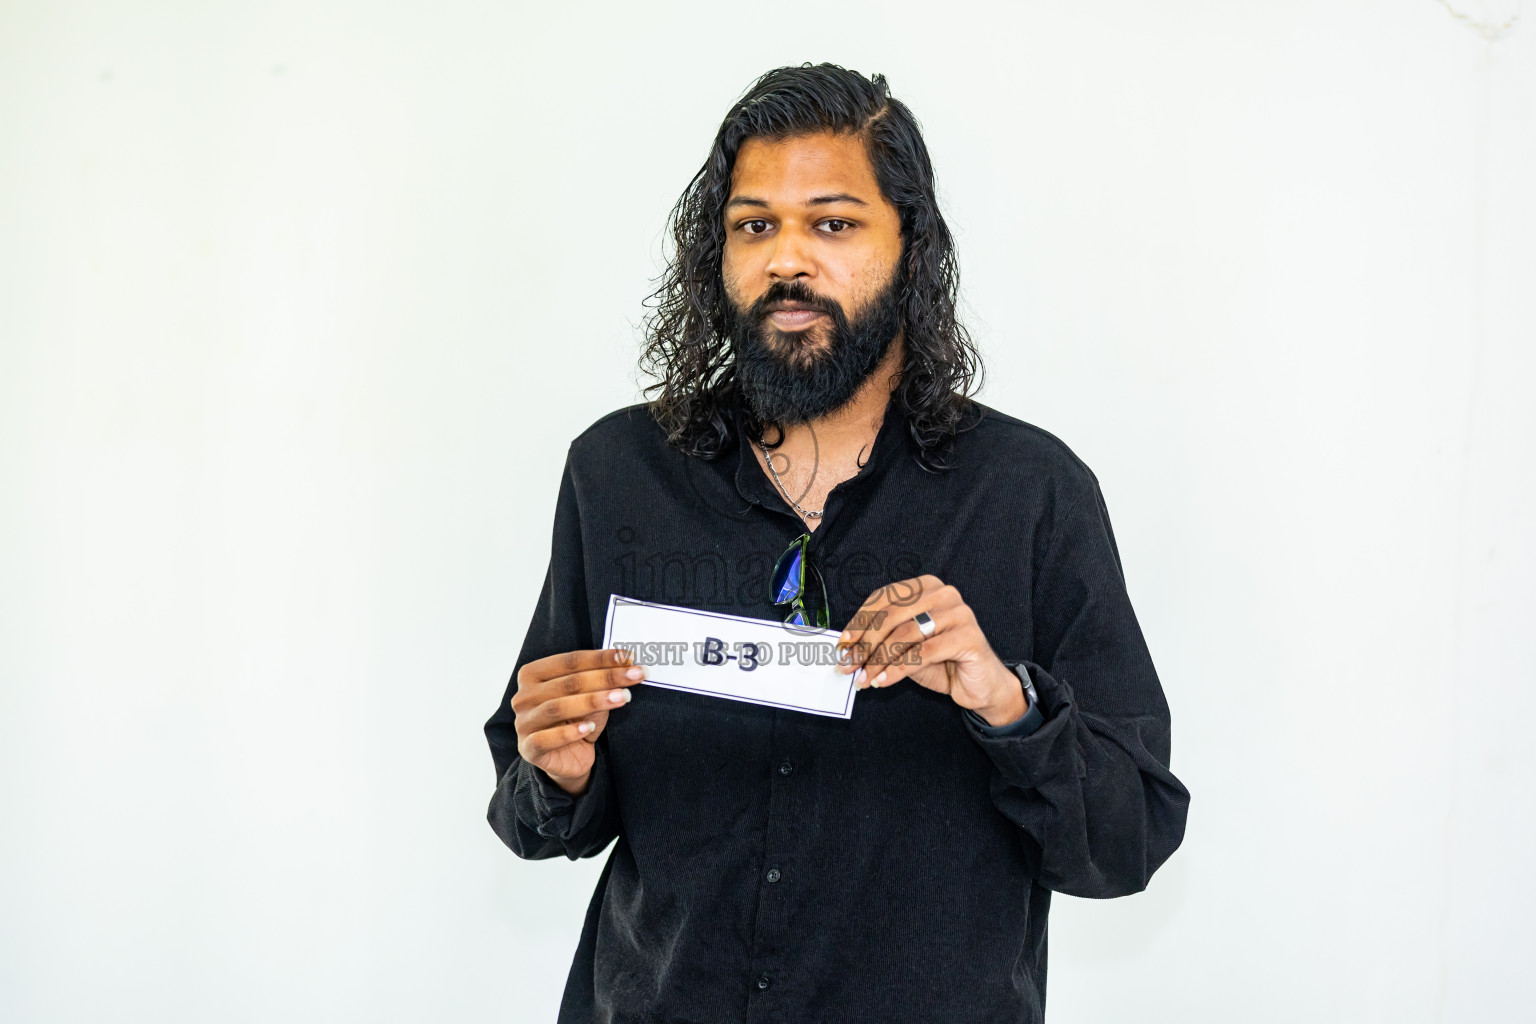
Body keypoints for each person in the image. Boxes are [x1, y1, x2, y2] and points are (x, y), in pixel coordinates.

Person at [484, 62, 1190, 1024]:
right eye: (754, 224)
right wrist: (556, 770)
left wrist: (1006, 702)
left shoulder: (1031, 493)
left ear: (913, 247)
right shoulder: (618, 473)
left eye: (834, 222)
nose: (787, 260)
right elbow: (538, 804)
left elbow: (1128, 838)